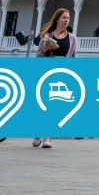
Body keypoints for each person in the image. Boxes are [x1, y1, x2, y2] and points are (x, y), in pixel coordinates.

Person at [32, 8, 77, 149]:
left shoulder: (72, 38)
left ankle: (48, 137)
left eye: (68, 18)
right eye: (64, 17)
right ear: (57, 19)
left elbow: (73, 58)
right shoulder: (46, 36)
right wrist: (44, 50)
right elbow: (38, 56)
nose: (66, 20)